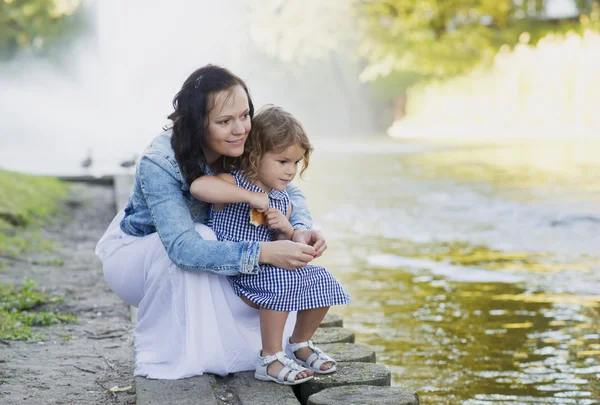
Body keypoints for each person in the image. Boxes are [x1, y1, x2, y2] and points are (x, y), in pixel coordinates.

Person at [95, 65, 327, 380]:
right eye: (224, 121)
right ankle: (188, 354)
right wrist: (265, 252)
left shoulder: (243, 141)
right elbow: (182, 249)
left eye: (244, 115)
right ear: (196, 124)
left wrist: (299, 228)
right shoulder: (159, 162)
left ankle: (270, 351)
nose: (240, 129)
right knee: (205, 234)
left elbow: (287, 186)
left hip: (212, 253)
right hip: (140, 256)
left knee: (274, 270)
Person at [190, 105, 350, 385]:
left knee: (323, 279)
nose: (291, 172)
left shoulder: (282, 200)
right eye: (282, 161)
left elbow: (280, 244)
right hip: (239, 270)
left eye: (296, 163)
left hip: (266, 267)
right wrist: (248, 197)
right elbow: (199, 187)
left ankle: (299, 342)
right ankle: (270, 359)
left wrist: (287, 230)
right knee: (280, 279)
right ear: (254, 155)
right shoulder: (233, 182)